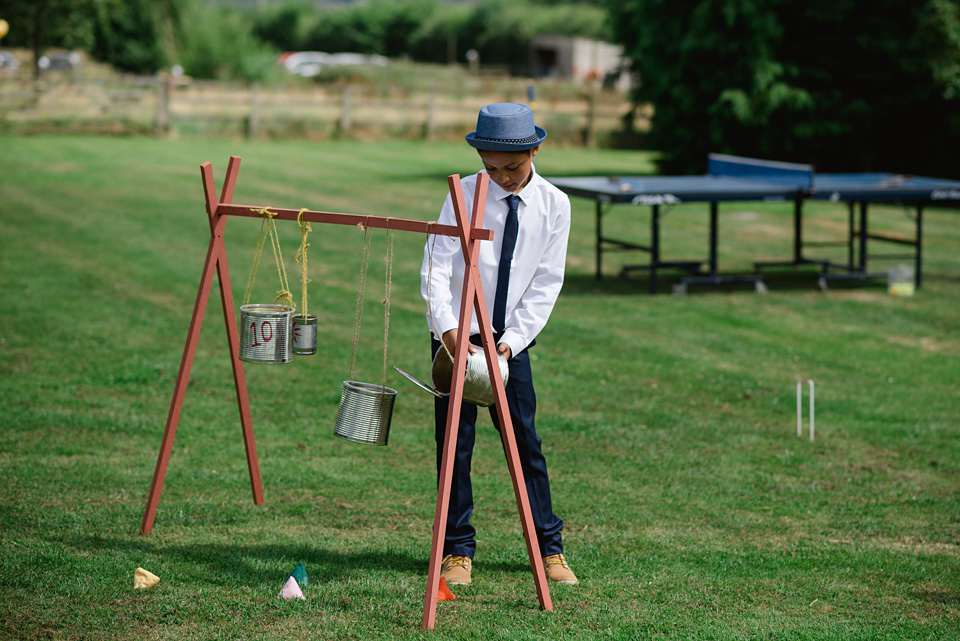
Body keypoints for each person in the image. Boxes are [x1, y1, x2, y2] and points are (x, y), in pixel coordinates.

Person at [420, 102, 577, 586]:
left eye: (513, 167)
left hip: (510, 343)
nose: (502, 177)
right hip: (456, 339)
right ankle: (457, 550)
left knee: (526, 445)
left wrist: (507, 345)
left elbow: (546, 284)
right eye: (491, 168)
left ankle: (549, 549)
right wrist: (451, 335)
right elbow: (436, 268)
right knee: (454, 445)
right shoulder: (462, 195)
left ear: (534, 150)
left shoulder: (555, 205)